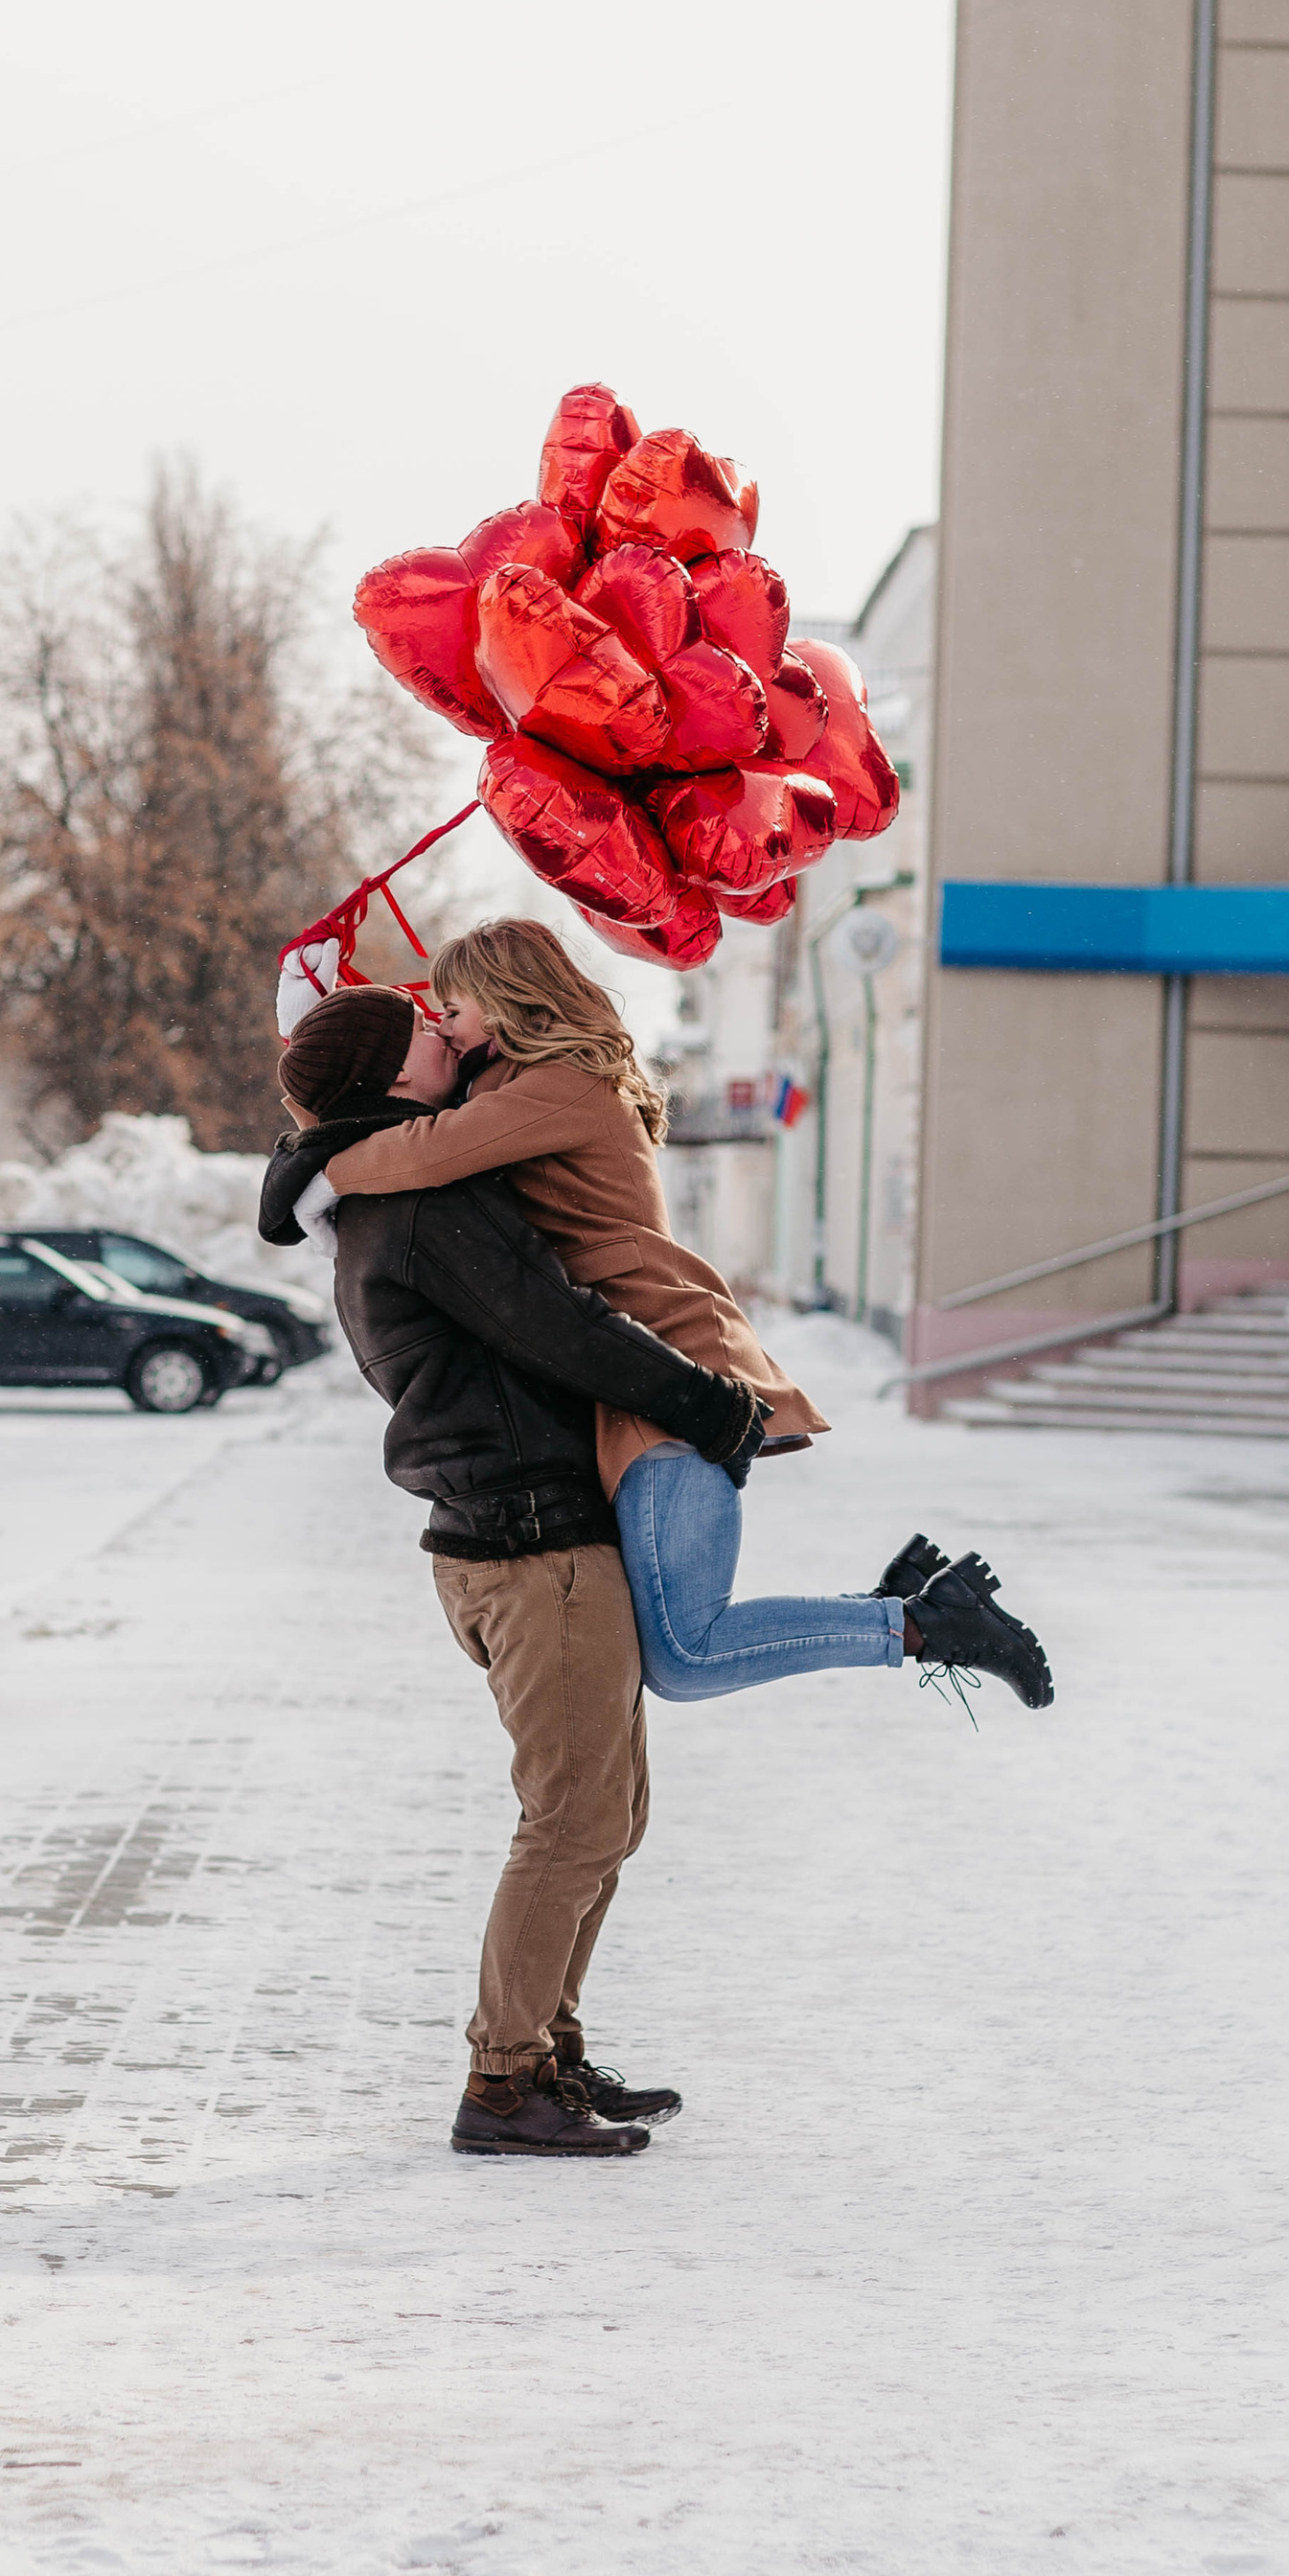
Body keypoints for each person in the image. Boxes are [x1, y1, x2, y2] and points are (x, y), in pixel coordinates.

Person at [261, 983, 769, 2161]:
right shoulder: (421, 1204)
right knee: (572, 1820)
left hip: (517, 1536)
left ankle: (547, 2051)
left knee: (608, 1815)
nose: (444, 1029)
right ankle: (501, 2083)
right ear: (392, 1074)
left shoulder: (389, 1192)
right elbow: (557, 1323)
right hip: (532, 1543)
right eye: (421, 1028)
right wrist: (708, 1404)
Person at [319, 917, 1054, 1713]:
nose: (442, 1028)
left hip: (674, 1366)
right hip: (635, 1372)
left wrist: (316, 1171)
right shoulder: (513, 1085)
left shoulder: (558, 1085)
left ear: (502, 1003)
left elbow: (422, 1148)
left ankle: (927, 1625)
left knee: (686, 1655)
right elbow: (391, 1100)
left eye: (452, 1010)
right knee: (673, 1645)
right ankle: (906, 1607)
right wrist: (319, 1038)